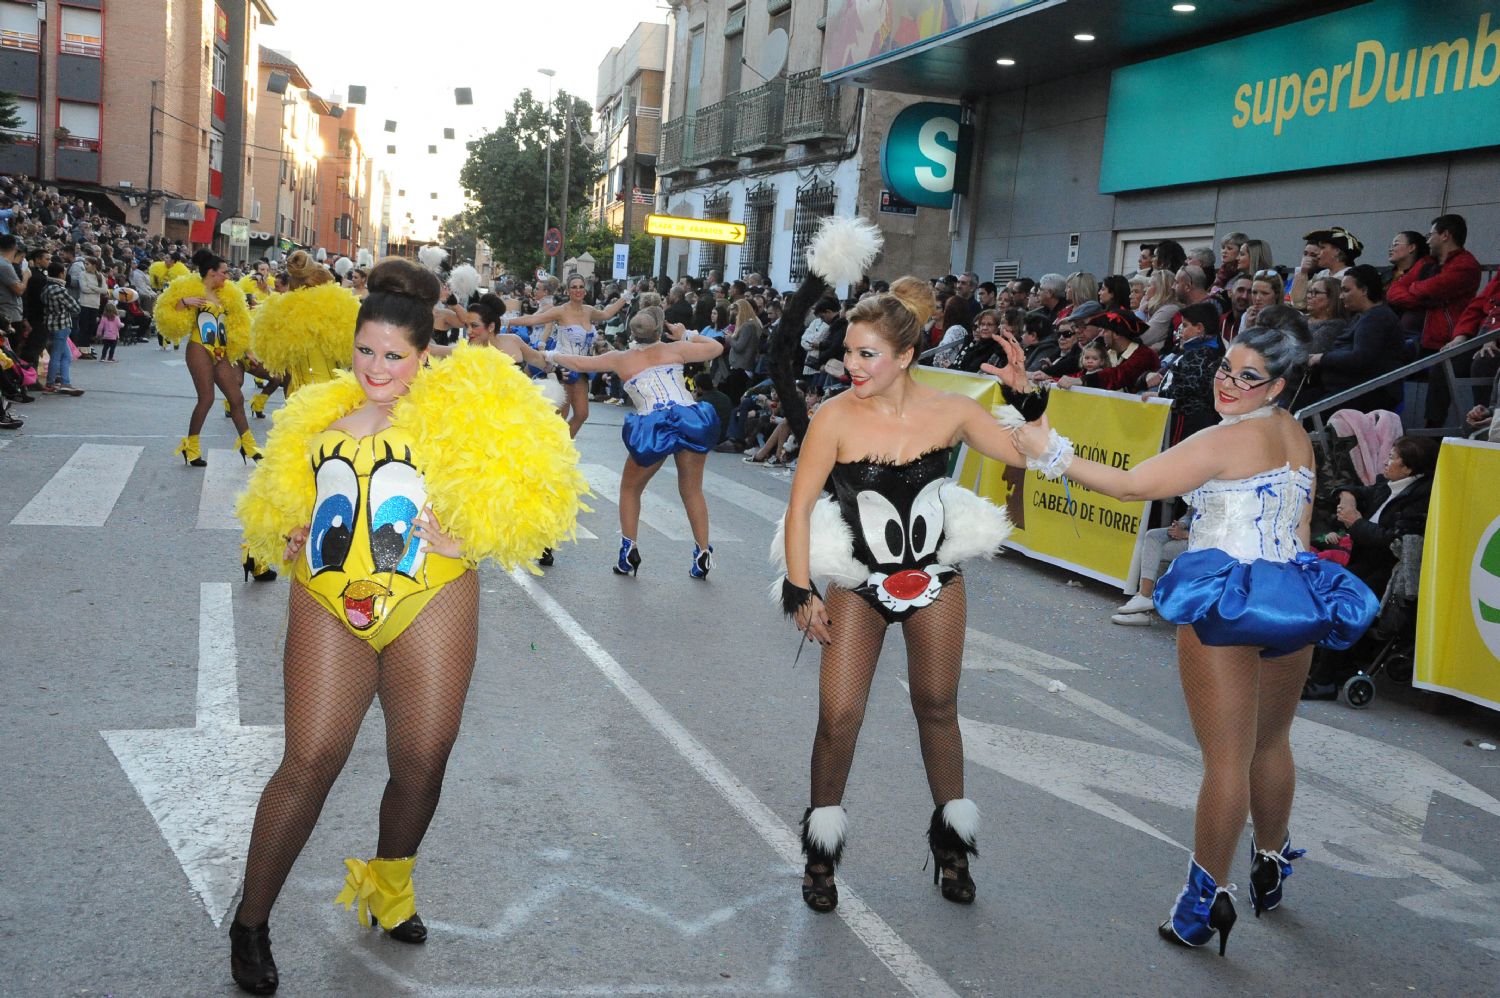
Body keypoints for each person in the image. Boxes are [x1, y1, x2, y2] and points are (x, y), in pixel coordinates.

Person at [227, 259, 587, 995]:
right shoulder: (320, 416)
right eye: (366, 351)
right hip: (328, 601)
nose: (376, 368)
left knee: (423, 756)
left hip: (432, 597)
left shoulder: (463, 415)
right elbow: (285, 498)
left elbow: (537, 480)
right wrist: (292, 528)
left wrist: (474, 538)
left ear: (426, 355)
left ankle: (391, 885)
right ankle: (251, 922)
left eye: (394, 355)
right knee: (311, 758)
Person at [1003, 324, 1379, 955]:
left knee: (1226, 761)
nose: (1228, 384)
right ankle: (1271, 861)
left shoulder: (1225, 439)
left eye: (1248, 376)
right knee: (1272, 742)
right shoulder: (1295, 434)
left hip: (1229, 602)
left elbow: (1130, 484)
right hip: (1291, 597)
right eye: (1225, 370)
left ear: (1280, 384)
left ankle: (1202, 905)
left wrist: (1047, 448)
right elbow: (1295, 527)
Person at [777, 276, 1020, 914]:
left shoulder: (954, 411)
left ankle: (952, 844)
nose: (850, 366)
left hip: (936, 580)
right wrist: (799, 590)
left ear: (905, 356)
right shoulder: (832, 417)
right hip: (858, 585)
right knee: (838, 716)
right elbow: (799, 508)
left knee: (938, 707)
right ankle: (821, 852)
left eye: (866, 355)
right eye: (849, 353)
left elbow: (1023, 451)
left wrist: (1034, 399)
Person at [517, 311, 724, 578]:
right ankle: (703, 554)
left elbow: (580, 363)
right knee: (692, 490)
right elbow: (716, 347)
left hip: (654, 424)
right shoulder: (677, 348)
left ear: (630, 333)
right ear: (660, 330)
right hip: (688, 417)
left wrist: (548, 355)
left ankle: (628, 552)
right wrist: (686, 333)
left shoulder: (620, 358)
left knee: (630, 488)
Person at [1303, 435, 1439, 700]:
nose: (1386, 462)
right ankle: (1319, 667)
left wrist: (1356, 523)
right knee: (1315, 583)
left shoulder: (1420, 499)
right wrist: (1349, 499)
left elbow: (1396, 541)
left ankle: (1324, 680)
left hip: (1389, 572)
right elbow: (1350, 489)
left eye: (1392, 457)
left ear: (1409, 468)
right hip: (1363, 560)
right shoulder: (1389, 485)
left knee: (1343, 603)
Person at [153, 249, 260, 465]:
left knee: (237, 398)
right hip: (198, 348)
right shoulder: (194, 290)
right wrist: (183, 301)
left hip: (221, 351)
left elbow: (237, 324)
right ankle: (191, 446)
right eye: (224, 272)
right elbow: (167, 314)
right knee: (207, 398)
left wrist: (247, 350)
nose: (227, 276)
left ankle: (248, 446)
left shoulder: (225, 295)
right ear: (211, 272)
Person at [506, 274, 632, 437]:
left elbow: (607, 314)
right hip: (563, 366)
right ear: (568, 290)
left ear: (585, 290)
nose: (578, 290)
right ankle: (548, 448)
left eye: (581, 287)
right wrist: (510, 322)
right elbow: (535, 318)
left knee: (581, 414)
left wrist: (626, 296)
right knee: (560, 414)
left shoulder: (589, 310)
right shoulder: (561, 311)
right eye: (574, 287)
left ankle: (562, 447)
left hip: (582, 368)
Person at [1304, 265, 1405, 413]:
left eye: (1346, 290)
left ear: (1364, 290)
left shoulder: (1377, 318)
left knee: (1304, 417)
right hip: (1345, 389)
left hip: (1366, 393)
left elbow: (1360, 358)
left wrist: (1321, 358)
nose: (1340, 296)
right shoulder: (1363, 316)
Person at [1149, 301, 1224, 445]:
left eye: (1184, 325)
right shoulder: (1195, 351)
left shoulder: (1202, 354)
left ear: (1199, 328)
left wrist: (1161, 395)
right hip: (1186, 417)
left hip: (1189, 419)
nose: (1180, 330)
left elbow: (1189, 386)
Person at [40, 260, 83, 395]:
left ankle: (65, 382)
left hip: (50, 323)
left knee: (66, 356)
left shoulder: (46, 288)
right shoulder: (59, 289)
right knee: (57, 355)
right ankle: (51, 383)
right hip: (61, 324)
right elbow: (75, 307)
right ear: (60, 273)